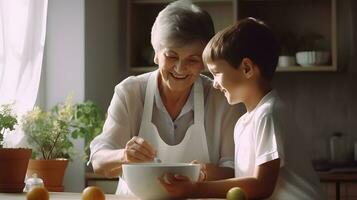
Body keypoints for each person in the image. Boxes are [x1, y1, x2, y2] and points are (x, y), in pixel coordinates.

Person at [159, 17, 325, 199]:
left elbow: (261, 186)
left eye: (217, 73)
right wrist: (203, 174)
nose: (214, 84)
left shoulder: (267, 113)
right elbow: (243, 183)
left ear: (247, 68)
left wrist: (195, 189)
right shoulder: (244, 123)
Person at [89, 0, 241, 195]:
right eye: (171, 56)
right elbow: (99, 161)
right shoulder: (130, 92)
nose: (179, 68)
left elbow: (234, 169)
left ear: (204, 61)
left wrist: (203, 173)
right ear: (156, 54)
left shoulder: (220, 96)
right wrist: (124, 155)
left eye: (192, 60)